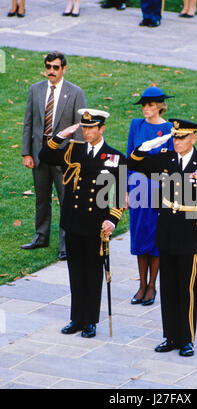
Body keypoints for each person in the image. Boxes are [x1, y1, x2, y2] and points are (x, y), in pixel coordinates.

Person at [127, 118, 197, 357]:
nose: (177, 142)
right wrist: (147, 145)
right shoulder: (165, 159)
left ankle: (187, 339)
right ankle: (170, 336)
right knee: (167, 288)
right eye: (175, 137)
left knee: (186, 289)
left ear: (193, 138)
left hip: (190, 233)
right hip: (166, 233)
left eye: (182, 137)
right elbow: (134, 162)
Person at [39, 109, 126, 338]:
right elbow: (45, 156)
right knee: (75, 272)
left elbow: (120, 192)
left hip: (96, 225)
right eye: (84, 128)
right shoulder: (72, 149)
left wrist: (113, 219)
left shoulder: (115, 157)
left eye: (91, 128)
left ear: (102, 129)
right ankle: (76, 318)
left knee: (93, 273)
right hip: (74, 221)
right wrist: (60, 136)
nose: (87, 132)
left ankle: (90, 321)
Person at [21, 51, 86, 261]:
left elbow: (80, 128)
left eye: (55, 67)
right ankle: (41, 236)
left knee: (66, 200)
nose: (51, 71)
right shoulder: (35, 90)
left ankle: (66, 244)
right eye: (48, 66)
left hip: (64, 158)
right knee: (41, 199)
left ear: (64, 69)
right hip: (40, 155)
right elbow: (29, 123)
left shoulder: (75, 92)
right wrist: (26, 153)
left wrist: (74, 158)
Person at [127, 87, 174, 307]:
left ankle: (152, 284)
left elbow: (170, 163)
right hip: (137, 186)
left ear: (160, 106)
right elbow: (129, 158)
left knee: (156, 237)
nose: (147, 109)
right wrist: (125, 191)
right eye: (144, 105)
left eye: (151, 105)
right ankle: (141, 284)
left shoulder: (169, 129)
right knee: (139, 235)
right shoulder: (136, 125)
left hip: (158, 187)